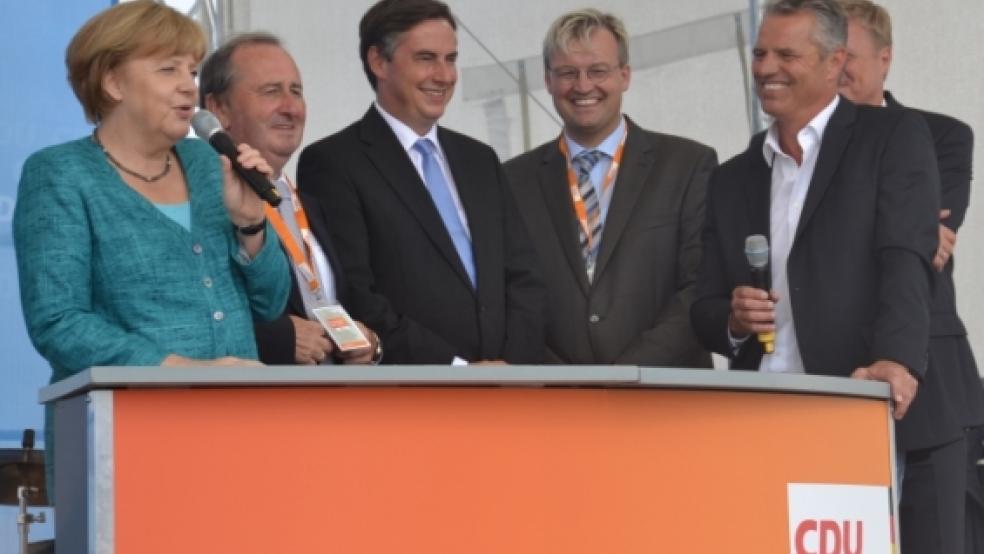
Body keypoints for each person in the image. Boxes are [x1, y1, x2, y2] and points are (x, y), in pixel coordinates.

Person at [13, 1, 289, 490]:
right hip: (123, 446)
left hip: (241, 433)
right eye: (168, 70)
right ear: (113, 83)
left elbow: (269, 302)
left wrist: (251, 226)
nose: (190, 85)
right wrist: (181, 370)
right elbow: (58, 321)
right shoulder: (60, 174)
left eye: (192, 69)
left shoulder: (209, 165)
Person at [690, 0, 940, 538]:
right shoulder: (731, 178)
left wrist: (895, 360)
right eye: (759, 53)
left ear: (834, 62)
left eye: (786, 54)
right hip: (759, 414)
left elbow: (905, 259)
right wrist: (733, 320)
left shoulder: (891, 138)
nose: (764, 67)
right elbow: (703, 305)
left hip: (851, 407)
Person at [297, 0, 544, 365]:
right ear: (379, 62)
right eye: (426, 58)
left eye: (451, 58)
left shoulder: (479, 160)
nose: (444, 75)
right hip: (413, 396)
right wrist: (458, 371)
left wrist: (511, 370)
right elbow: (355, 295)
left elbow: (523, 277)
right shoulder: (334, 162)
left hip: (505, 392)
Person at [837, 2, 984, 551]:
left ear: (885, 59)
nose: (838, 69)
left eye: (848, 56)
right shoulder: (793, 154)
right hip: (834, 375)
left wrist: (909, 232)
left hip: (933, 384)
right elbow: (907, 232)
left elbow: (929, 245)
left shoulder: (942, 136)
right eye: (828, 57)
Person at [503, 9, 716, 366]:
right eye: (567, 73)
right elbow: (509, 296)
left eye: (597, 71)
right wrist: (570, 384)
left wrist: (625, 376)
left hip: (667, 397)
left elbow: (699, 286)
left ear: (625, 75)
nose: (583, 86)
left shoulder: (688, 165)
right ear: (548, 81)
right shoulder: (511, 180)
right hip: (559, 404)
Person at [201, 33, 380, 366]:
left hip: (334, 407)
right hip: (254, 408)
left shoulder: (313, 205)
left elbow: (346, 300)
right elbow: (189, 321)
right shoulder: (198, 200)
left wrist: (369, 342)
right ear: (218, 109)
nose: (290, 107)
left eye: (296, 91)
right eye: (271, 92)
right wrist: (276, 341)